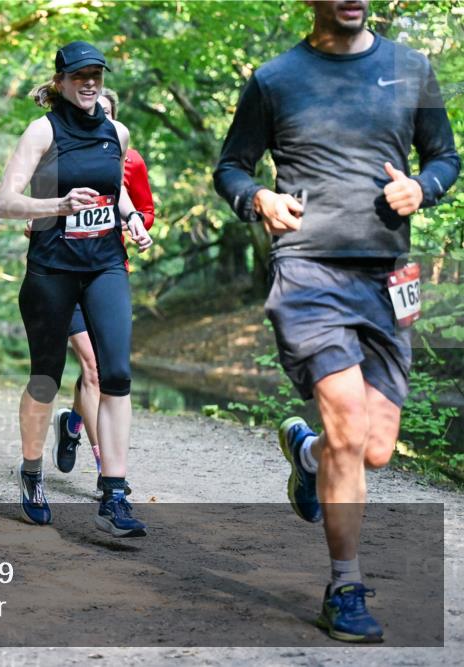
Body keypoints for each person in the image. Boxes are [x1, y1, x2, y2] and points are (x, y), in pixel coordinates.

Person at [213, 0, 459, 643]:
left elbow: (445, 159)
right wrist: (257, 197)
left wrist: (422, 188)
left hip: (388, 277)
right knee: (349, 426)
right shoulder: (275, 78)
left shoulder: (412, 68)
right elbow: (230, 168)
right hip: (308, 272)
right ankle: (344, 586)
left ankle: (308, 455)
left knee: (373, 448)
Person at [0, 41, 152, 536]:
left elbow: (116, 188)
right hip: (52, 270)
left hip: (105, 264)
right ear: (61, 81)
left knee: (117, 374)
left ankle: (114, 494)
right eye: (79, 75)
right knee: (45, 376)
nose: (89, 83)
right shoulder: (42, 131)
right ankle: (32, 475)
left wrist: (130, 219)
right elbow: (5, 203)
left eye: (96, 75)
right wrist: (58, 205)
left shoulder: (116, 132)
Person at [52, 88, 156, 498]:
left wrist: (135, 224)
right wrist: (47, 217)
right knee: (92, 367)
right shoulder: (58, 151)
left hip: (107, 271)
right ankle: (103, 466)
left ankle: (73, 423)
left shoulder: (129, 160)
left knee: (106, 370)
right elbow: (36, 201)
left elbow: (144, 208)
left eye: (107, 115)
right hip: (63, 272)